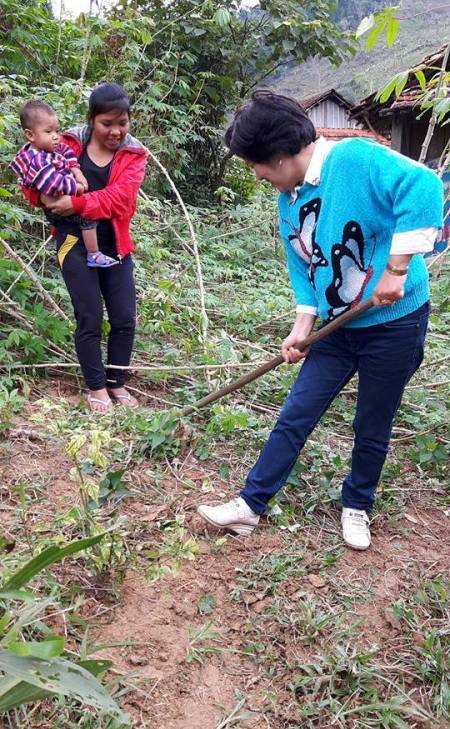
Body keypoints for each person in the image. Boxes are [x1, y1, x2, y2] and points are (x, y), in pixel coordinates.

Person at [197, 90, 443, 550]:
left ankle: (357, 505)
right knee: (296, 413)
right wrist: (302, 327)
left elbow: (424, 186)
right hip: (338, 328)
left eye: (256, 163)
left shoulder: (354, 159)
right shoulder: (287, 199)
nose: (256, 174)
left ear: (280, 152)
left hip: (394, 322)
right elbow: (303, 266)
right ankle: (251, 505)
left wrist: (396, 269)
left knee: (372, 421)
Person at [21, 82, 148, 412]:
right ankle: (96, 388)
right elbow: (33, 180)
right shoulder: (67, 143)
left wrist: (76, 203)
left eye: (123, 123)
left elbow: (122, 200)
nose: (116, 131)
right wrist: (44, 197)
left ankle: (116, 383)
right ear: (92, 120)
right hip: (72, 243)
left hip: (115, 246)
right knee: (89, 316)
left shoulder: (134, 154)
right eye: (107, 123)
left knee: (123, 318)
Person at [10, 100, 118, 268]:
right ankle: (93, 254)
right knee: (88, 216)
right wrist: (78, 188)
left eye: (56, 130)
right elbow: (53, 184)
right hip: (56, 206)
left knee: (85, 210)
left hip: (62, 194)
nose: (55, 136)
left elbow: (67, 152)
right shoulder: (36, 160)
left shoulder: (51, 148)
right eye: (48, 131)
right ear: (30, 135)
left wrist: (76, 170)